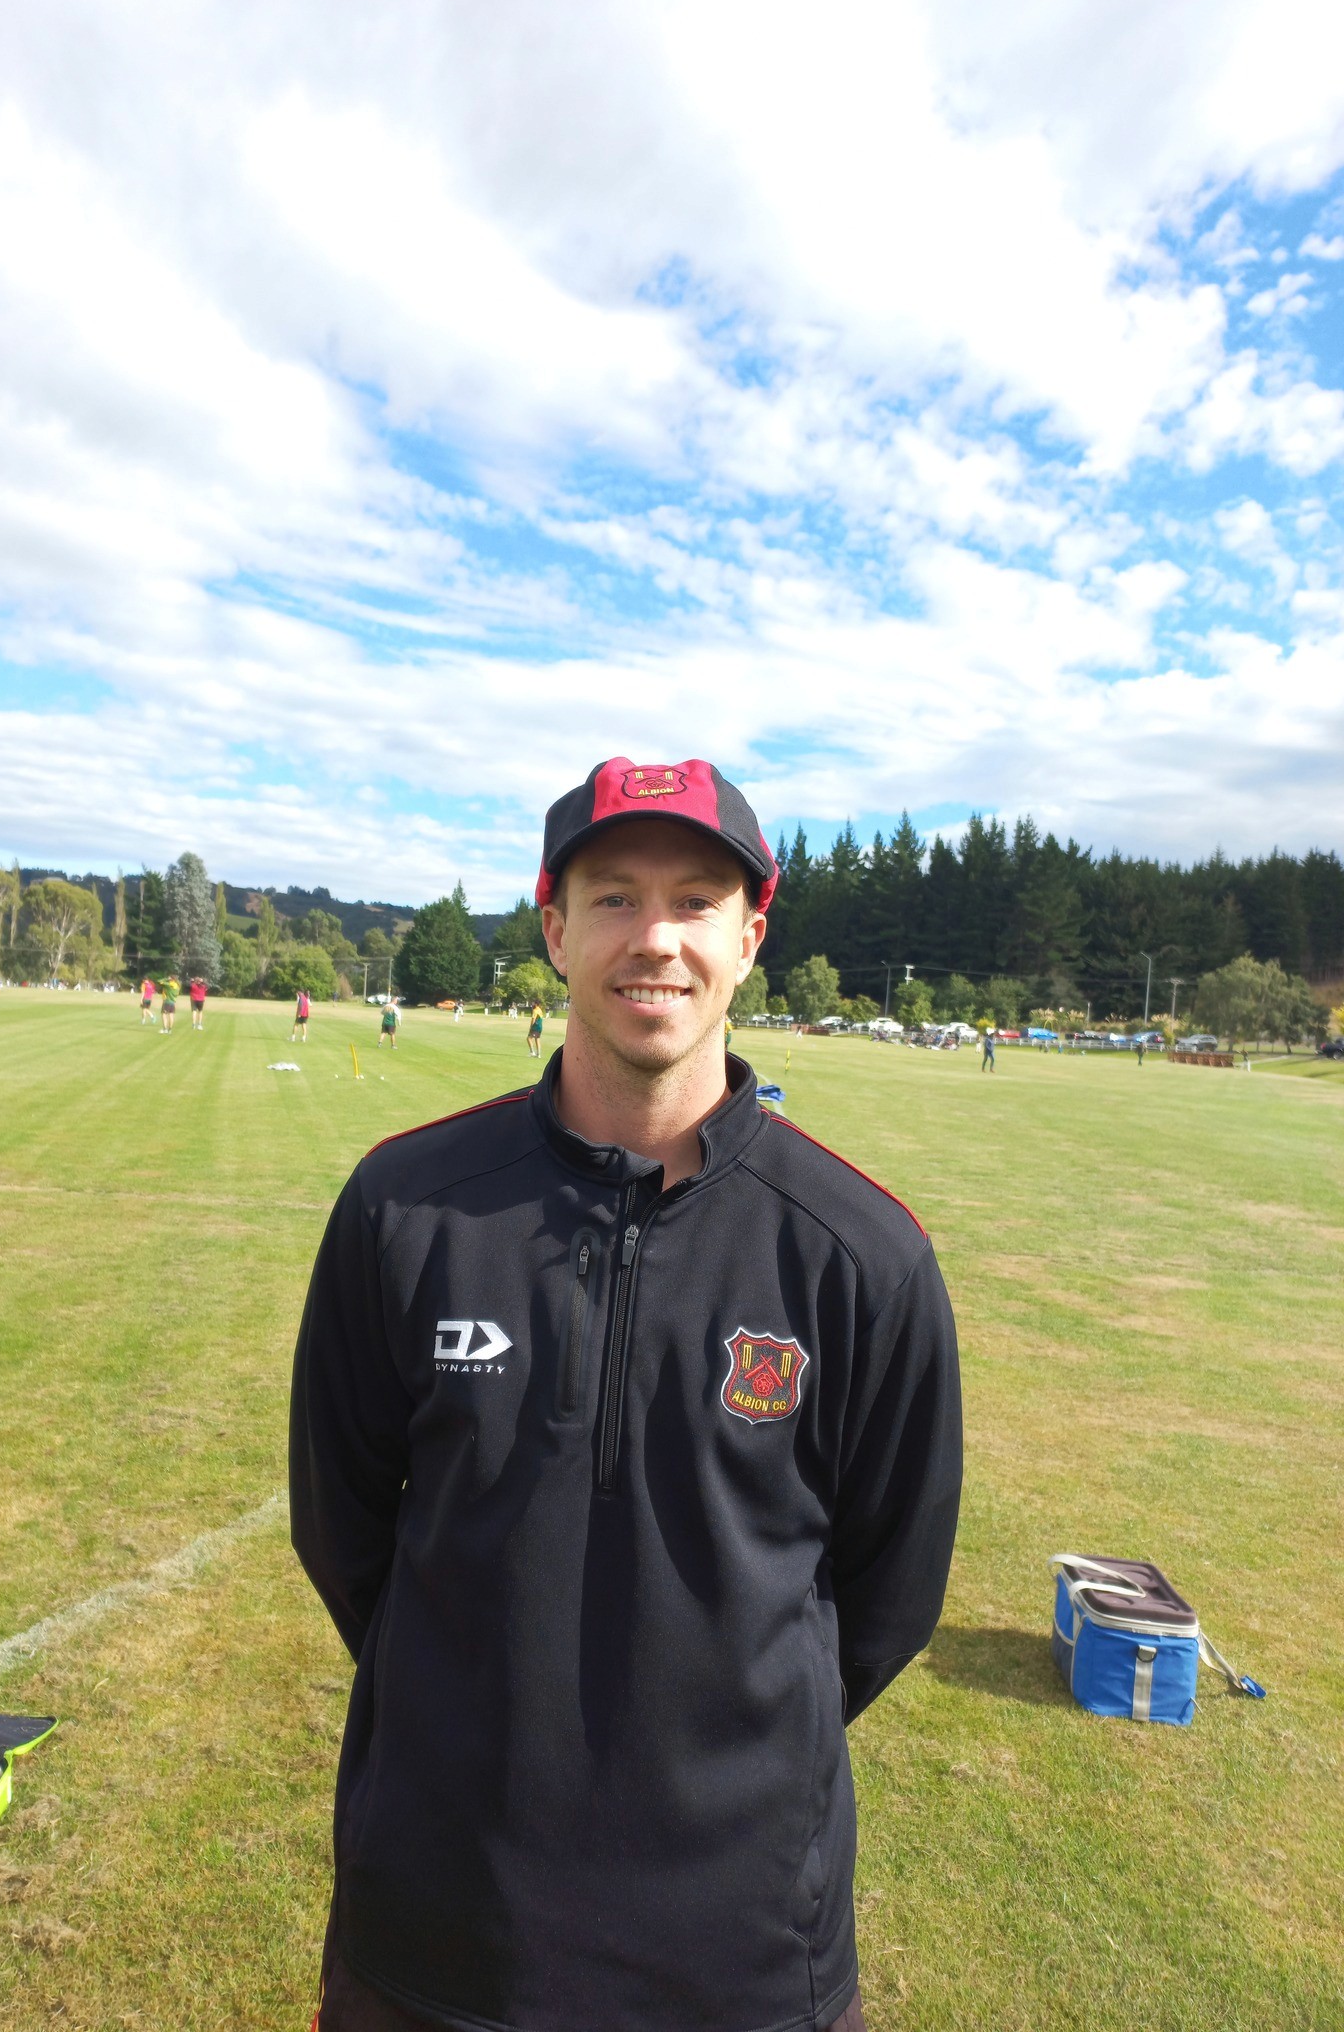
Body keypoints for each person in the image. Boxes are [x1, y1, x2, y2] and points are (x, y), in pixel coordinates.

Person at [291, 755, 962, 2032]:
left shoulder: (863, 1252)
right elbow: (343, 1532)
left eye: (697, 900)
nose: (654, 938)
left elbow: (886, 1598)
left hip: (745, 1954)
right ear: (553, 926)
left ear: (751, 936)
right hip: (440, 1931)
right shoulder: (404, 1207)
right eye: (613, 898)